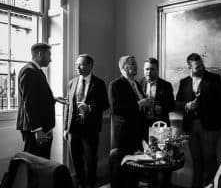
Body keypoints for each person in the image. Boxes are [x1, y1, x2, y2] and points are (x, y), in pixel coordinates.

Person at [176, 53, 221, 188]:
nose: (201, 68)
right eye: (197, 67)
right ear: (189, 67)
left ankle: (211, 185)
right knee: (196, 160)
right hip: (191, 126)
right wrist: (186, 105)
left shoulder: (214, 79)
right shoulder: (184, 82)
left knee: (209, 159)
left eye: (202, 65)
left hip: (210, 126)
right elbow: (177, 103)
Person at [63, 54, 109, 188]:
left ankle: (90, 185)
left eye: (81, 64)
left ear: (90, 66)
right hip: (73, 129)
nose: (77, 67)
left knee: (90, 161)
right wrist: (66, 128)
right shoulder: (72, 83)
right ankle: (80, 185)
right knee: (76, 161)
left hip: (90, 129)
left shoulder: (99, 83)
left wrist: (89, 108)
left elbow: (105, 104)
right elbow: (68, 106)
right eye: (76, 64)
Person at [108, 55, 152, 188]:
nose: (135, 66)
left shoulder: (137, 84)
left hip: (137, 135)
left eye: (135, 63)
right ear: (122, 68)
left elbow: (138, 109)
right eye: (131, 64)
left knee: (134, 172)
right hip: (124, 136)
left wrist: (146, 108)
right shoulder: (115, 85)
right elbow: (116, 109)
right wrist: (140, 104)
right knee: (120, 171)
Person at [16, 43, 55, 159]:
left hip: (42, 128)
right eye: (49, 55)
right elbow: (29, 103)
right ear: (40, 54)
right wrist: (38, 130)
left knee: (42, 163)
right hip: (36, 130)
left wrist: (53, 99)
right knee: (35, 164)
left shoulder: (37, 71)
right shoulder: (29, 71)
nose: (51, 59)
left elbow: (36, 98)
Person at [139, 57, 175, 128]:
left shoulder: (166, 85)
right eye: (147, 69)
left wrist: (162, 109)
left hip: (160, 125)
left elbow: (171, 105)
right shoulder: (138, 84)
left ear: (157, 70)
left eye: (152, 69)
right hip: (141, 124)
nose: (149, 72)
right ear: (143, 69)